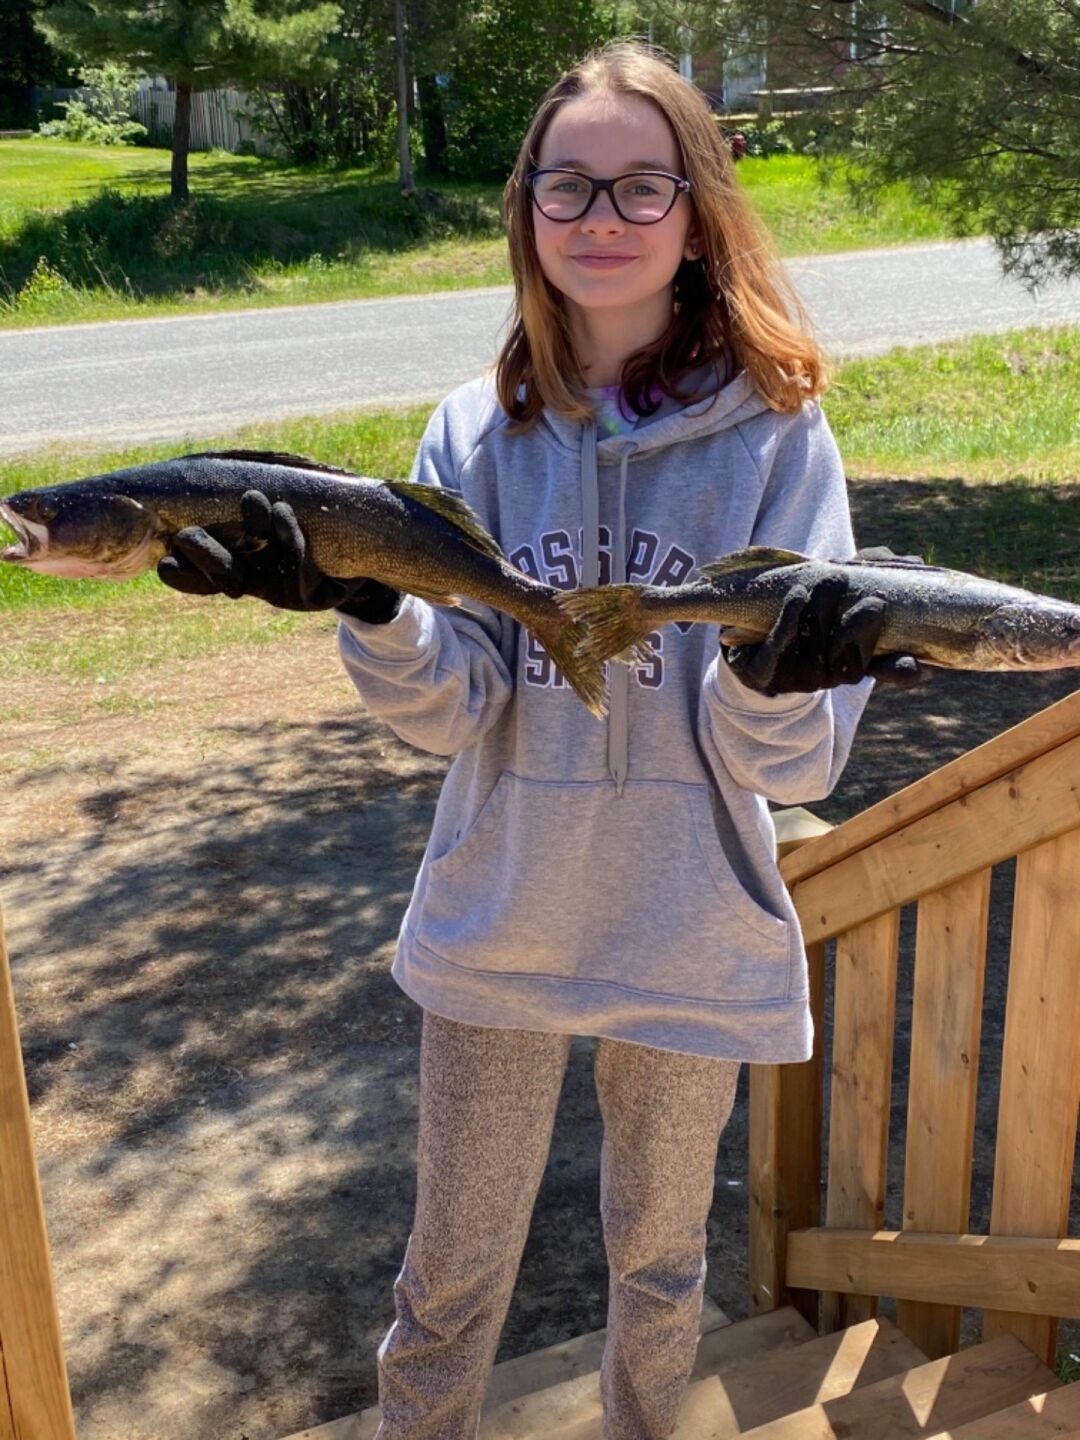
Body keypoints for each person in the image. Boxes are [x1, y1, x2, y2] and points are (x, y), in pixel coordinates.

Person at [159, 41, 924, 1440]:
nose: (602, 217)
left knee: (661, 1271)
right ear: (525, 209)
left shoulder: (779, 440)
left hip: (686, 924)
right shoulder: (472, 434)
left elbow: (797, 768)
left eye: (642, 185)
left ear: (697, 212)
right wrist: (376, 606)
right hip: (499, 917)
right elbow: (455, 709)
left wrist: (772, 686)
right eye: (567, 185)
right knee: (447, 1281)